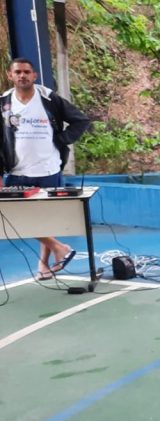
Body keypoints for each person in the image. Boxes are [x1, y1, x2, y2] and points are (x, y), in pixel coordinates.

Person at [0, 57, 90, 280]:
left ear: (34, 75)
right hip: (17, 172)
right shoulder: (3, 103)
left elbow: (81, 121)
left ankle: (43, 264)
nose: (22, 75)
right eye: (18, 72)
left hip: (48, 169)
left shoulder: (49, 99)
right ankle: (60, 248)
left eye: (26, 72)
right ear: (10, 76)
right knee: (16, 219)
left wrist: (61, 140)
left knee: (46, 218)